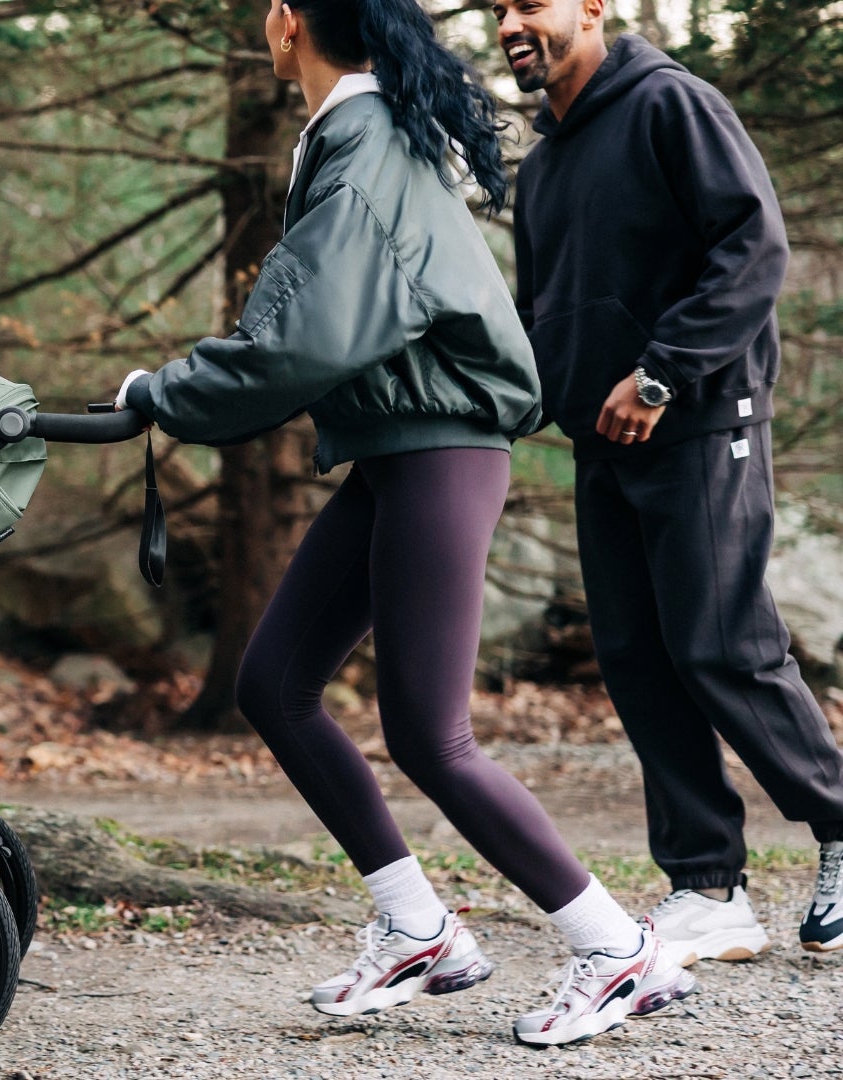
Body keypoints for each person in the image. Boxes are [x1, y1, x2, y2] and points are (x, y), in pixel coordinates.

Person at [111, 0, 693, 1047]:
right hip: (399, 449)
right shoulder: (355, 132)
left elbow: (302, 337)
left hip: (440, 448)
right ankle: (418, 927)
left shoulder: (365, 138)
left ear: (288, 22)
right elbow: (319, 323)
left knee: (430, 732)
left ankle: (618, 952)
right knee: (273, 681)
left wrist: (166, 392)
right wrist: (177, 392)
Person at [498, 0, 843, 962]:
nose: (513, 24)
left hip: (698, 417)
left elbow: (753, 248)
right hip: (603, 440)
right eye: (498, 10)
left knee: (722, 643)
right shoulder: (549, 159)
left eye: (532, 4)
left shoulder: (671, 104)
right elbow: (546, 311)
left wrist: (661, 372)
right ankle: (708, 887)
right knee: (638, 656)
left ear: (591, 9)